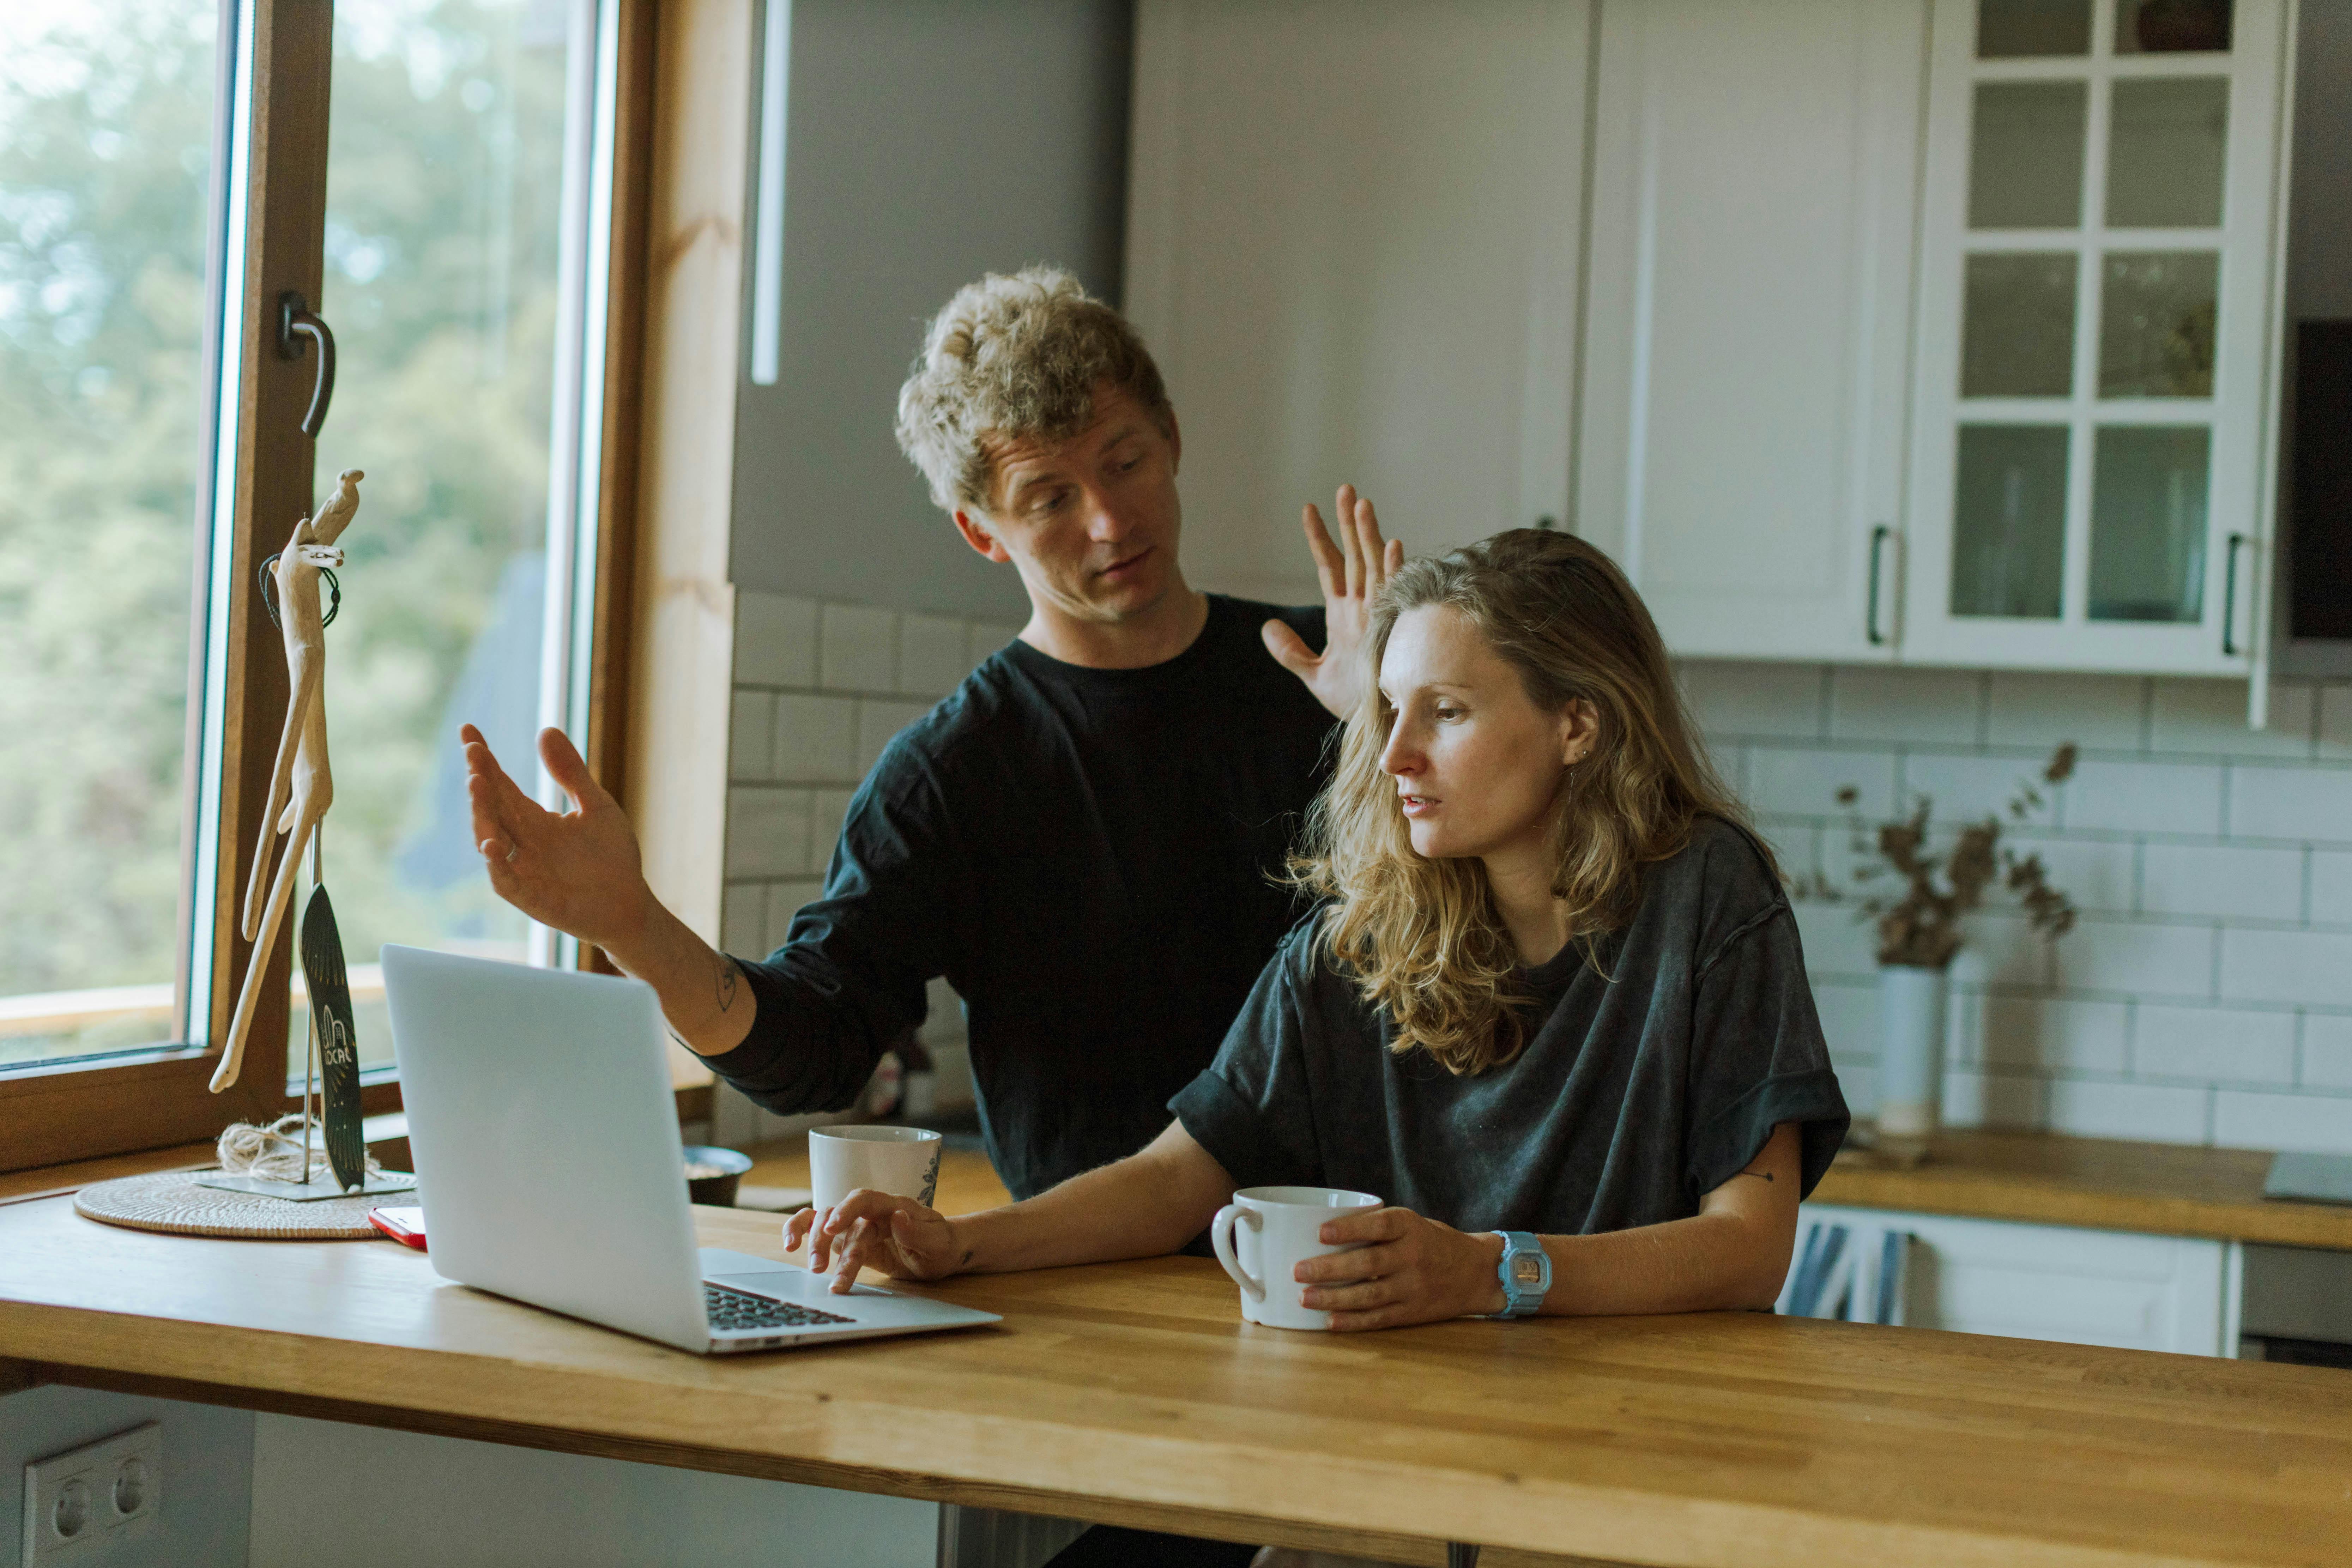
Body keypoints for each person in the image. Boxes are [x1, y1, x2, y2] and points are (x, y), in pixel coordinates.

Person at [460, 265, 1398, 1205]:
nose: (1110, 520)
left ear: (1172, 441)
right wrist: (633, 927)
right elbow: (818, 1058)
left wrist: (1385, 727)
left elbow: (1504, 929)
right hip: (1097, 1283)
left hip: (1375, 1249)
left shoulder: (1335, 675)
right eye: (1049, 499)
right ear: (982, 534)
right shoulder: (956, 774)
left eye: (1124, 462)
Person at [793, 527, 1850, 1332]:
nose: (1392, 758)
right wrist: (959, 1246)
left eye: (1445, 712)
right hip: (1399, 1429)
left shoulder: (1706, 893)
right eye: (1386, 711)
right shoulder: (1365, 932)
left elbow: (1747, 1250)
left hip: (1638, 1430)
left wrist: (1487, 1271)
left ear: (1577, 724)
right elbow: (1177, 1177)